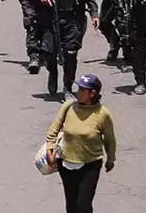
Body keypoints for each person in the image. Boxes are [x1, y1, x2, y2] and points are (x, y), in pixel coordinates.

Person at [44, 74, 116, 213]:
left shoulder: (103, 114)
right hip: (66, 163)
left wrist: (110, 159)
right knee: (71, 205)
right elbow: (54, 129)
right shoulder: (68, 106)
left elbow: (110, 140)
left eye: (82, 90)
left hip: (90, 165)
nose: (78, 92)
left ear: (92, 94)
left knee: (83, 206)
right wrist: (49, 149)